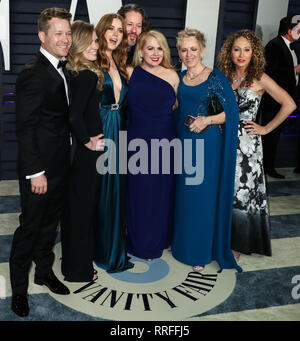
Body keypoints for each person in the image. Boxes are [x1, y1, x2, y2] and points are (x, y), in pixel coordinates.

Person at [9, 8, 72, 317]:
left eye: (68, 33)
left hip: (60, 164)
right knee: (30, 227)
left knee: (50, 224)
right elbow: (26, 126)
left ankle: (43, 272)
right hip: (40, 169)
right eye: (58, 33)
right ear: (42, 36)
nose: (65, 39)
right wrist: (36, 172)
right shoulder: (32, 72)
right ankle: (18, 290)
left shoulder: (63, 68)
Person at [218, 29, 296, 260]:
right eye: (236, 49)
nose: (241, 54)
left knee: (240, 194)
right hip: (222, 141)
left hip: (246, 146)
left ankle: (237, 244)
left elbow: (289, 104)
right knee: (222, 191)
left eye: (247, 50)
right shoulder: (224, 75)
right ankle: (220, 237)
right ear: (229, 52)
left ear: (254, 53)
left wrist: (265, 129)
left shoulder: (259, 77)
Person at [171, 28, 241, 273]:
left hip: (207, 145)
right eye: (183, 50)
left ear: (202, 50)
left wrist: (207, 120)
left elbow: (231, 114)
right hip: (183, 143)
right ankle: (182, 245)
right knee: (184, 195)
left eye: (193, 49)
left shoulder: (215, 77)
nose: (188, 54)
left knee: (202, 197)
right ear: (178, 52)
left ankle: (200, 251)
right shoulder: (178, 77)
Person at [126, 30, 179, 260]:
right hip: (136, 142)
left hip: (165, 141)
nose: (155, 53)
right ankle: (139, 242)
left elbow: (177, 107)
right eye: (150, 48)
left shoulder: (173, 75)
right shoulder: (129, 72)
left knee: (160, 194)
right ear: (140, 51)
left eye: (160, 48)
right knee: (138, 194)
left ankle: (158, 239)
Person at [60, 21, 105, 282]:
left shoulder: (72, 72)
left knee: (74, 210)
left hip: (77, 153)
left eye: (96, 42)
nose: (94, 46)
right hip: (87, 155)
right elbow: (74, 115)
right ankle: (81, 271)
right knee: (83, 211)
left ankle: (73, 266)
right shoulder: (87, 75)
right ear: (76, 43)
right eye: (89, 42)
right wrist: (87, 140)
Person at [93, 13, 133, 272]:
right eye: (111, 28)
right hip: (102, 128)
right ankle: (103, 251)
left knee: (117, 191)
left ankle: (115, 248)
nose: (116, 34)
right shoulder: (91, 61)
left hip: (120, 128)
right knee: (102, 191)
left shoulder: (119, 63)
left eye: (120, 30)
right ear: (101, 31)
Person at [260, 16, 300, 179]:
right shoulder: (274, 45)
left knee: (275, 136)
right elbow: (270, 73)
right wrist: (294, 70)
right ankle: (266, 168)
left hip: (286, 100)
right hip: (273, 101)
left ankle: (269, 166)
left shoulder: (293, 47)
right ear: (290, 31)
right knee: (270, 136)